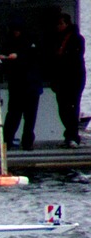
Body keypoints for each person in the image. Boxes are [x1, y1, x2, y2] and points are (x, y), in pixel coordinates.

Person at [0, 22, 43, 151]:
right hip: (16, 84)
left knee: (29, 117)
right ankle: (7, 141)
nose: (16, 33)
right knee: (13, 114)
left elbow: (34, 56)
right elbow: (5, 58)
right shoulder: (9, 42)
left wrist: (18, 57)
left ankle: (27, 142)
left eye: (18, 30)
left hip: (31, 85)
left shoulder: (31, 42)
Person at [52, 13, 86, 148]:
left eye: (61, 23)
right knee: (63, 108)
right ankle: (69, 134)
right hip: (61, 79)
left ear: (67, 24)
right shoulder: (56, 40)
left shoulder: (77, 38)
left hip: (74, 78)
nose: (58, 27)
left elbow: (75, 57)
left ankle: (73, 136)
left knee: (72, 107)